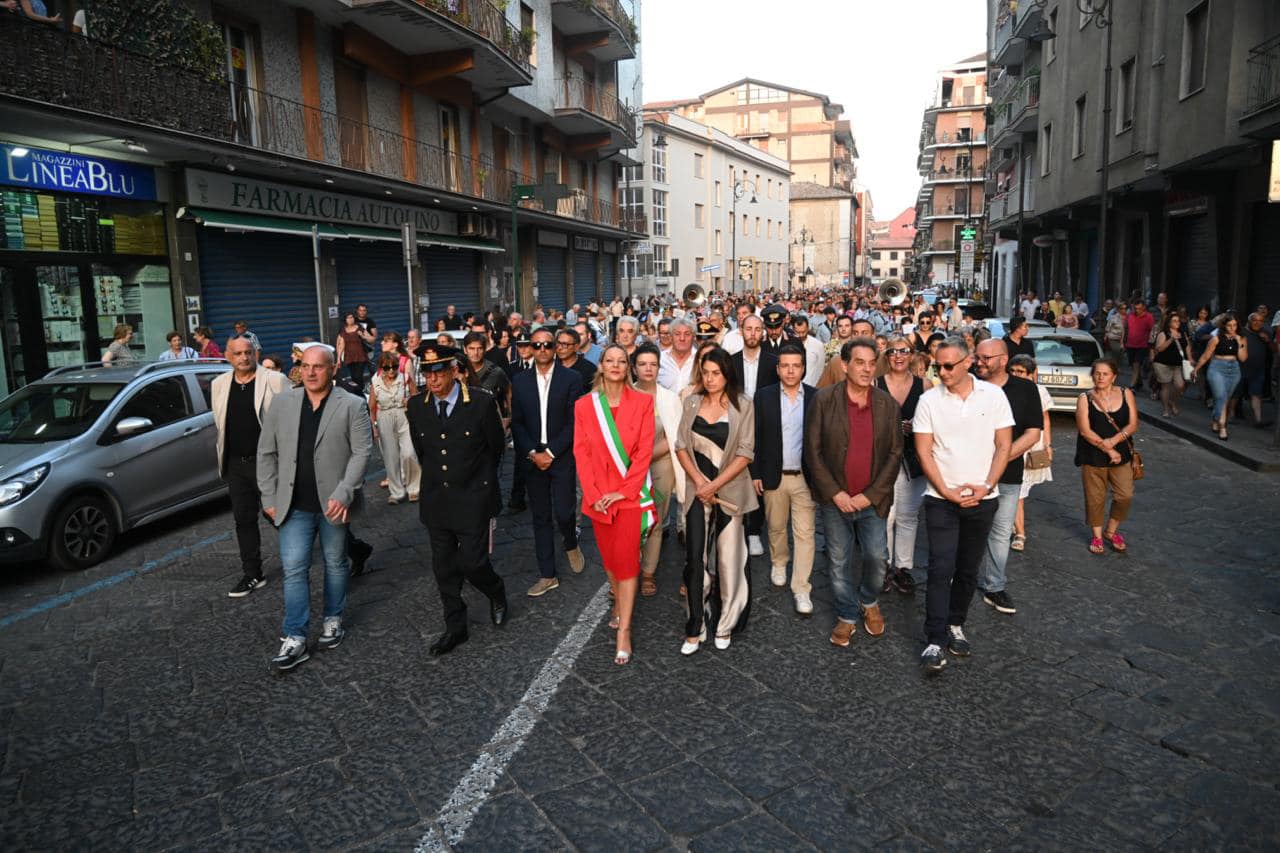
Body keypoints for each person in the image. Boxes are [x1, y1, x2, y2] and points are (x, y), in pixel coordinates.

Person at [257, 344, 372, 671]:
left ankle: (333, 618)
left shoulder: (352, 405)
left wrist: (345, 492)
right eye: (305, 366)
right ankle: (294, 635)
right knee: (294, 568)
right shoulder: (282, 403)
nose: (310, 372)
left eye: (317, 366)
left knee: (335, 562)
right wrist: (268, 498)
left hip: (334, 502)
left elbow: (362, 453)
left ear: (333, 368)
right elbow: (266, 452)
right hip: (292, 503)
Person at [912, 336, 1013, 673]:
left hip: (984, 499)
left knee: (968, 568)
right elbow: (924, 450)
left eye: (948, 365)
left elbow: (1003, 446)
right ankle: (935, 638)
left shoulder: (995, 396)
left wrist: (986, 487)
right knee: (940, 568)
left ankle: (956, 624)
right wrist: (945, 489)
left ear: (969, 362)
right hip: (941, 500)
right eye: (937, 366)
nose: (942, 372)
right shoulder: (928, 400)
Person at [407, 343, 509, 656]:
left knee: (473, 563)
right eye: (427, 373)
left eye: (438, 371)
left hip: (473, 498)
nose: (433, 379)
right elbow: (423, 451)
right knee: (444, 569)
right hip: (438, 500)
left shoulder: (479, 402)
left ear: (454, 370)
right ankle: (455, 627)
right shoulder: (417, 406)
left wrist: (483, 488)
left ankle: (496, 591)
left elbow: (496, 449)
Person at [805, 338, 903, 648]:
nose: (866, 369)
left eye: (872, 363)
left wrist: (871, 495)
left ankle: (869, 599)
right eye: (859, 362)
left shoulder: (888, 405)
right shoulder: (823, 400)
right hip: (836, 501)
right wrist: (835, 493)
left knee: (877, 557)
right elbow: (813, 451)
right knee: (837, 560)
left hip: (872, 501)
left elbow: (894, 454)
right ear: (845, 365)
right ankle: (847, 614)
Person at [573, 345, 656, 665]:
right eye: (610, 360)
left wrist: (625, 490)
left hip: (630, 496)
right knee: (609, 559)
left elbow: (644, 450)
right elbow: (582, 453)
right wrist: (593, 493)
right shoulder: (584, 405)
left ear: (629, 367)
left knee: (627, 562)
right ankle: (618, 604)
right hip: (599, 497)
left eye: (622, 361)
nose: (616, 365)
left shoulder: (644, 403)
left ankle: (625, 629)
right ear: (601, 366)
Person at [675, 347, 757, 654]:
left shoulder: (743, 405)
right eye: (706, 373)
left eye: (716, 374)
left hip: (731, 492)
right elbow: (681, 446)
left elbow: (746, 453)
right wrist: (699, 482)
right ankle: (695, 626)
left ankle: (725, 623)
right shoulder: (691, 401)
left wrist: (715, 486)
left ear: (727, 375)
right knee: (695, 558)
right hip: (697, 490)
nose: (710, 379)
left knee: (729, 560)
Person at [212, 335, 289, 597]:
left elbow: (291, 421)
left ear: (255, 353)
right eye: (238, 353)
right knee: (243, 520)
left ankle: (345, 549)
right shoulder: (219, 384)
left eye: (248, 352)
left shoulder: (274, 380)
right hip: (236, 464)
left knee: (285, 516)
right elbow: (221, 425)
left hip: (268, 462)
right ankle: (252, 574)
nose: (244, 357)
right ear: (227, 355)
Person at [511, 327, 586, 596]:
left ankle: (570, 542)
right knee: (540, 515)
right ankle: (547, 574)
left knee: (565, 512)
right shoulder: (519, 381)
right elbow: (517, 423)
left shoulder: (572, 378)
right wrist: (533, 452)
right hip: (533, 458)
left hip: (561, 455)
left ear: (555, 348)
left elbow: (574, 421)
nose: (542, 349)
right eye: (537, 345)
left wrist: (551, 453)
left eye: (547, 345)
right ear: (530, 348)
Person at [973, 339, 1043, 616]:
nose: (978, 362)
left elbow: (1033, 432)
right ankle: (959, 576)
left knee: (1001, 531)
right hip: (969, 472)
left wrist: (1003, 457)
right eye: (977, 357)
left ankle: (994, 586)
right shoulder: (968, 385)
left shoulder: (1026, 389)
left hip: (1008, 474)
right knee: (967, 529)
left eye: (985, 358)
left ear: (1003, 360)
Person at [751, 344, 817, 615]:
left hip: (805, 477)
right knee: (776, 527)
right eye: (785, 366)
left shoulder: (816, 397)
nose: (791, 371)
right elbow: (753, 436)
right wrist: (755, 472)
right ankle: (779, 561)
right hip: (772, 475)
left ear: (803, 368)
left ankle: (802, 587)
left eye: (796, 366)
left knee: (806, 534)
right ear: (778, 369)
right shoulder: (763, 396)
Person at [632, 343, 684, 597]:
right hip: (630, 472)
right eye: (642, 364)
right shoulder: (624, 394)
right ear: (634, 367)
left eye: (653, 364)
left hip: (660, 468)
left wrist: (646, 457)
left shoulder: (669, 398)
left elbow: (675, 435)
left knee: (653, 518)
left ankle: (648, 573)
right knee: (630, 522)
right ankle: (625, 573)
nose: (648, 369)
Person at [878, 335, 928, 595]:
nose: (898, 356)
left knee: (908, 516)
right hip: (882, 460)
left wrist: (916, 427)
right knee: (885, 516)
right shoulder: (875, 384)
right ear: (886, 356)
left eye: (904, 351)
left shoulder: (925, 384)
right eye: (893, 351)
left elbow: (934, 421)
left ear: (912, 355)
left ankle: (903, 567)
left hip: (914, 459)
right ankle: (884, 566)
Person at [1074, 357, 1138, 555]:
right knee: (1095, 498)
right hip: (1093, 455)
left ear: (1114, 377)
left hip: (1122, 455)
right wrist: (1107, 448)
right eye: (1097, 373)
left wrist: (1115, 440)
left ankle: (1111, 531)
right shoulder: (1085, 398)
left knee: (1125, 495)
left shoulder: (1126, 393)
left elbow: (1133, 424)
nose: (1100, 377)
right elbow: (1085, 430)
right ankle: (1097, 536)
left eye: (1105, 374)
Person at [1008, 354, 1052, 552]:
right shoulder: (1004, 389)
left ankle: (1017, 529)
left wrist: (1048, 446)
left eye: (1021, 372)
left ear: (1031, 374)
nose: (1016, 375)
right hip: (1010, 442)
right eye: (1013, 371)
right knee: (1017, 492)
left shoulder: (1038, 391)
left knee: (1019, 492)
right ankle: (1019, 530)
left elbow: (1045, 419)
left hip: (1031, 444)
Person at [369, 353, 420, 505]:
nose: (391, 371)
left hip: (404, 416)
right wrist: (375, 427)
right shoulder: (375, 381)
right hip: (384, 417)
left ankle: (414, 489)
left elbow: (416, 397)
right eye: (387, 368)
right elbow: (371, 407)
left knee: (409, 453)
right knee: (391, 457)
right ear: (381, 368)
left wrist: (409, 400)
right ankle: (397, 492)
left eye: (394, 367)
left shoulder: (404, 378)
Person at [1192, 314, 1248, 441]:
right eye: (1229, 325)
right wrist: (1196, 369)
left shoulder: (1242, 339)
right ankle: (1223, 426)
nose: (1232, 328)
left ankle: (1215, 418)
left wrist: (1239, 342)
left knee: (1225, 399)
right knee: (1221, 397)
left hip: (1234, 369)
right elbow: (1206, 356)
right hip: (1217, 368)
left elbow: (1243, 358)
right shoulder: (1216, 338)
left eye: (1235, 325)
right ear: (1224, 326)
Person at [1237, 312, 1274, 429]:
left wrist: (1268, 341)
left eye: (1261, 321)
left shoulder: (1265, 333)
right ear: (1249, 321)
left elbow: (1275, 350)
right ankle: (1230, 415)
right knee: (1235, 394)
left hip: (1258, 370)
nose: (1258, 323)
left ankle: (1258, 420)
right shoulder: (1241, 331)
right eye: (1255, 320)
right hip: (1240, 368)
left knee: (1256, 394)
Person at [1152, 311, 1190, 418]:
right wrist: (1171, 339)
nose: (1177, 323)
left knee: (1180, 385)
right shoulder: (1163, 333)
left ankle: (1172, 401)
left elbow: (1187, 346)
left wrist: (1190, 358)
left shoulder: (1182, 333)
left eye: (1178, 321)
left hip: (1177, 364)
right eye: (1174, 321)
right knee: (1166, 386)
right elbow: (1159, 349)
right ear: (1169, 322)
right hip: (1162, 364)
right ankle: (1165, 409)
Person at [659, 317, 698, 393]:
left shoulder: (700, 359)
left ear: (693, 337)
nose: (682, 338)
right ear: (671, 336)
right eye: (677, 334)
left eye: (687, 334)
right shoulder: (660, 359)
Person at [1124, 301, 1156, 391]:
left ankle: (1132, 386)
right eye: (1136, 308)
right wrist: (1123, 342)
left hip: (1142, 345)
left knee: (1136, 364)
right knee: (1133, 365)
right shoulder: (1130, 316)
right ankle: (1139, 382)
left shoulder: (1149, 317)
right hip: (1130, 345)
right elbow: (1126, 329)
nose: (1137, 310)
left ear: (1144, 308)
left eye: (1139, 308)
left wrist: (1151, 347)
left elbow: (1152, 331)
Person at [335, 312, 371, 389]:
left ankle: (361, 391)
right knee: (353, 376)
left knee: (358, 376)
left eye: (352, 317)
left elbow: (370, 339)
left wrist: (362, 336)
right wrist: (338, 359)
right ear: (345, 319)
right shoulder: (343, 330)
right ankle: (357, 392)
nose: (350, 319)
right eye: (348, 318)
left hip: (360, 355)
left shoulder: (360, 327)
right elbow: (341, 345)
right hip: (349, 356)